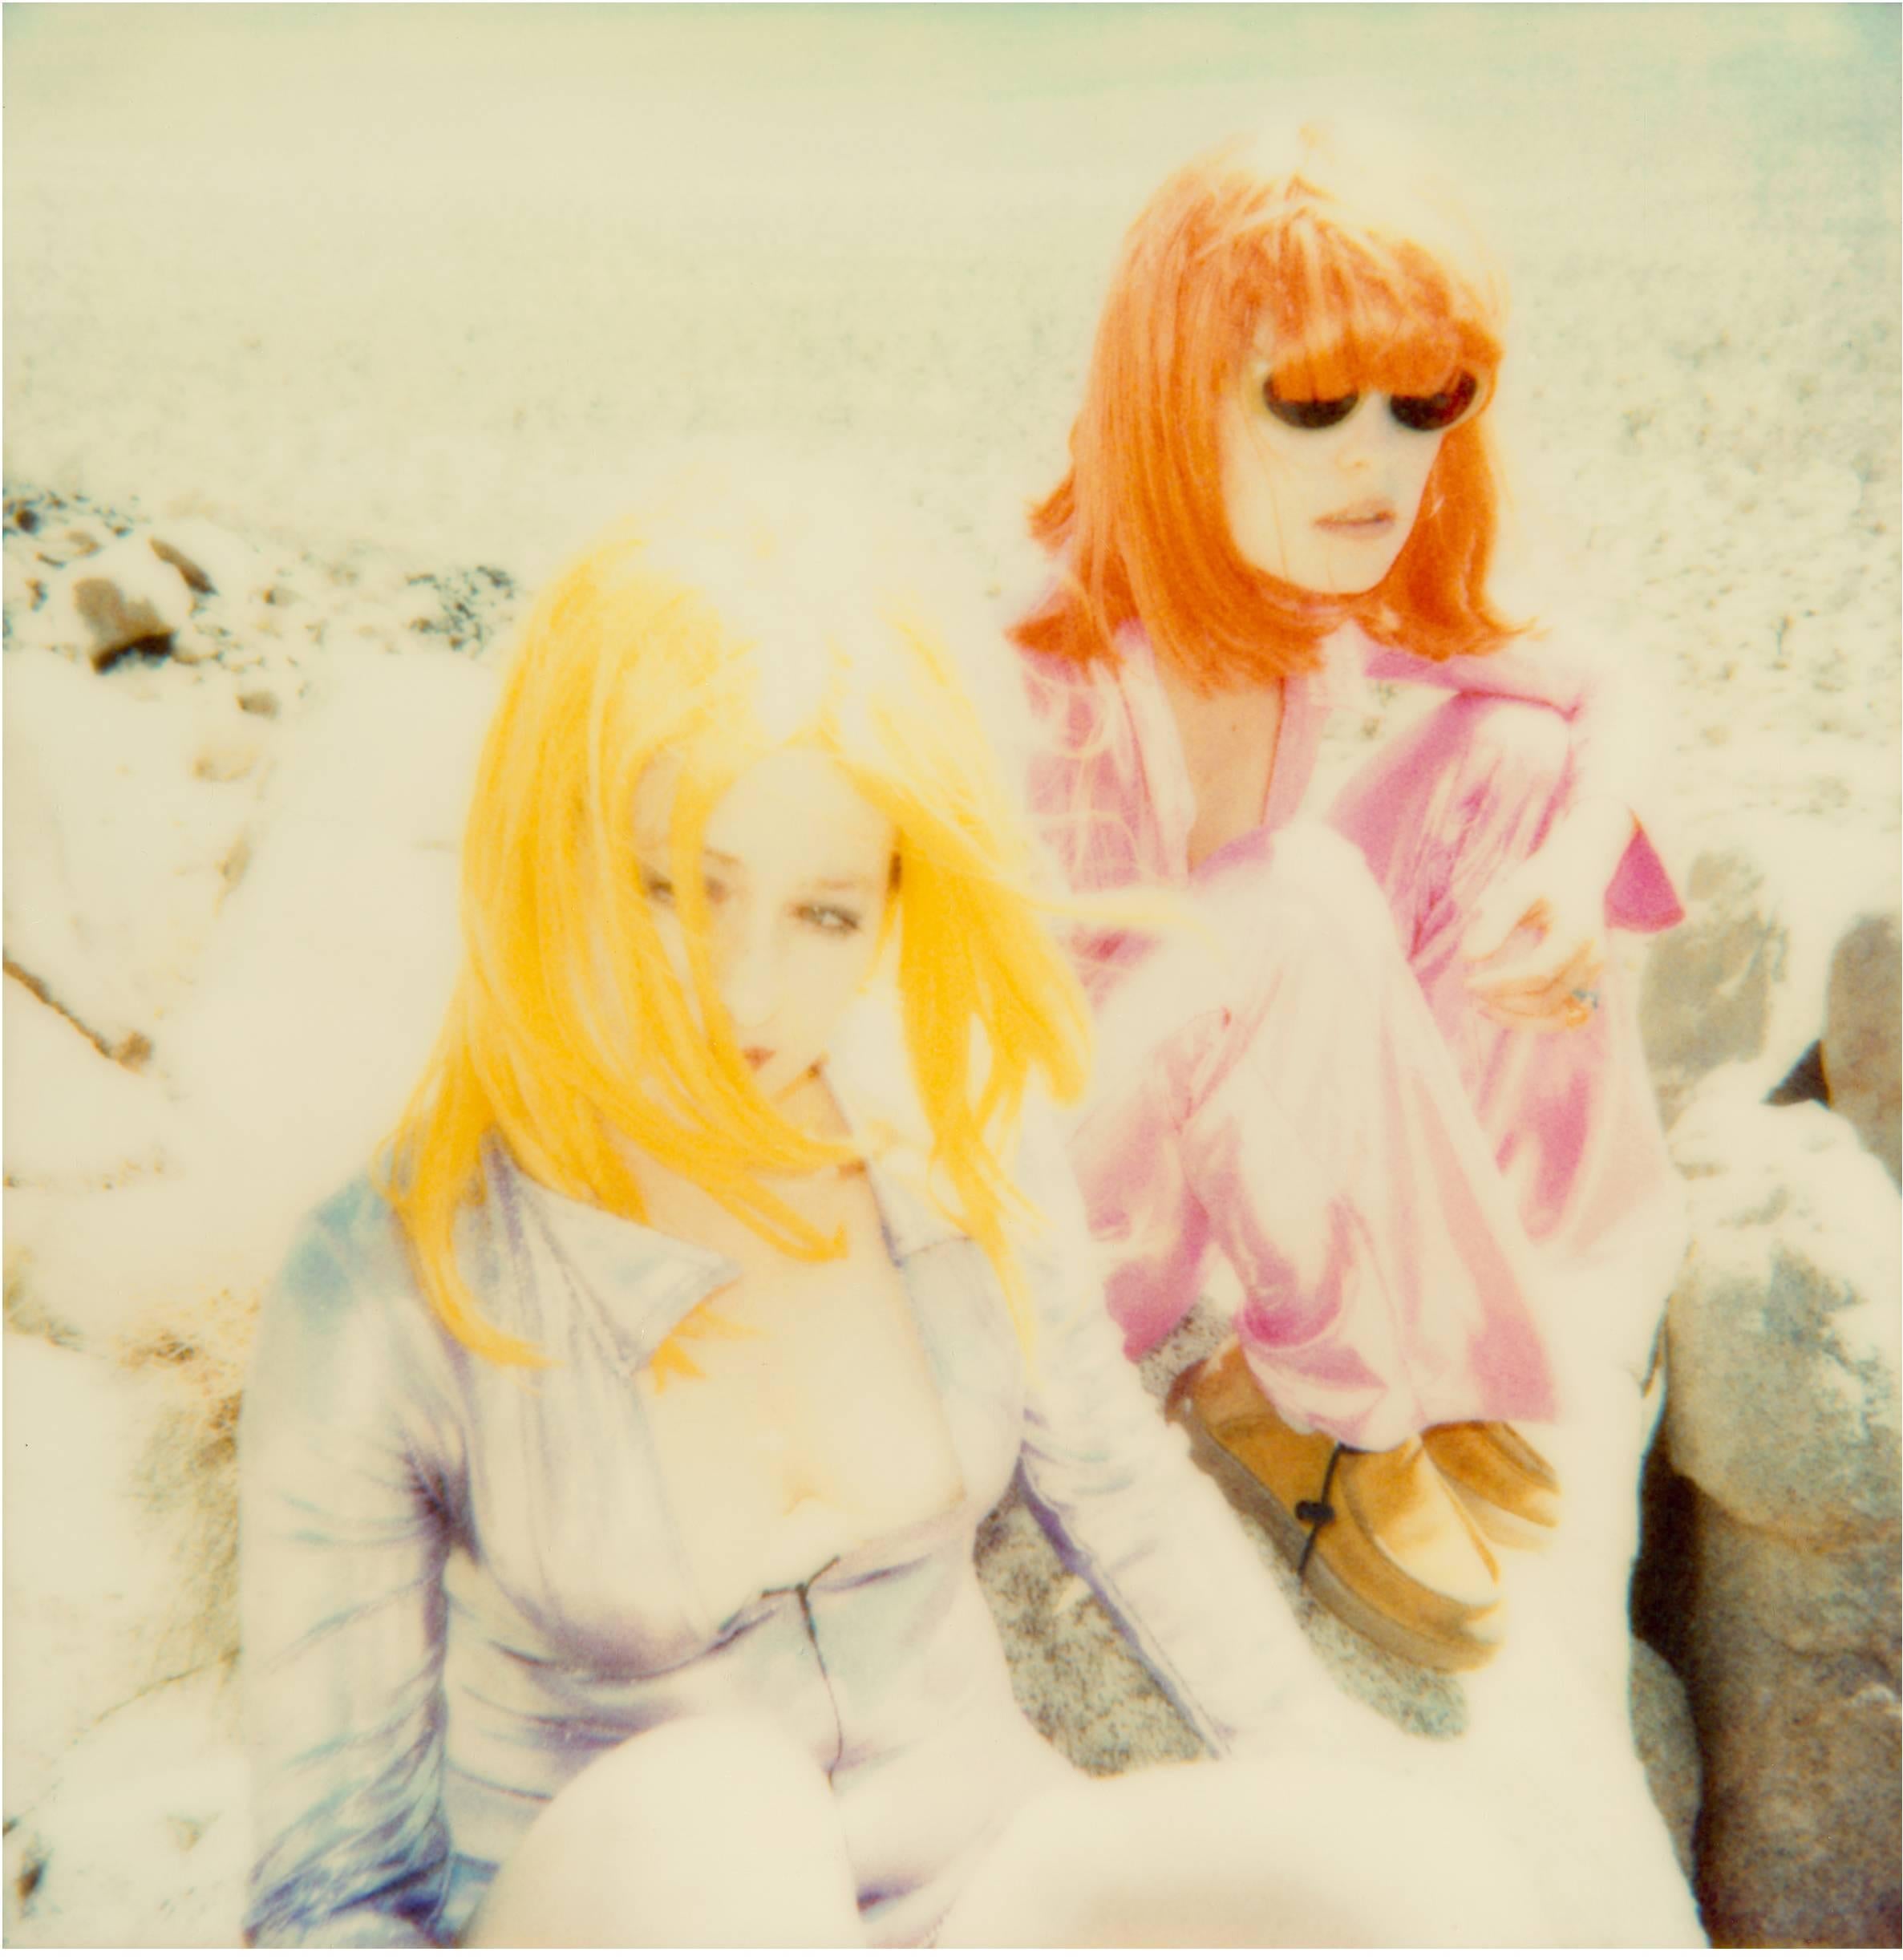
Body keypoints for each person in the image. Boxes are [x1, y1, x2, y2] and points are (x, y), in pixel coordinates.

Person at [237, 459, 1563, 1947]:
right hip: (629, 1910)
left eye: (824, 913)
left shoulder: (959, 1156)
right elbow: (331, 1895)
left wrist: (1330, 1801)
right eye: (677, 886)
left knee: (1423, 1883)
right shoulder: (386, 1283)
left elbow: (1127, 1505)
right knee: (715, 1820)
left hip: (992, 1879)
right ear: (558, 851)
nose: (746, 990)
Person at [1010, 119, 1688, 1672]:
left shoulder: (1295, 594)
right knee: (1293, 893)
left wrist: (1569, 867)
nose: (1370, 457)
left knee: (1510, 754)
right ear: (1174, 406)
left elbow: (1603, 684)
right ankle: (1321, 1401)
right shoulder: (1041, 678)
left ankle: (1436, 1312)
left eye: (1422, 397)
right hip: (1082, 1220)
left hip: (1226, 1105)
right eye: (1307, 403)